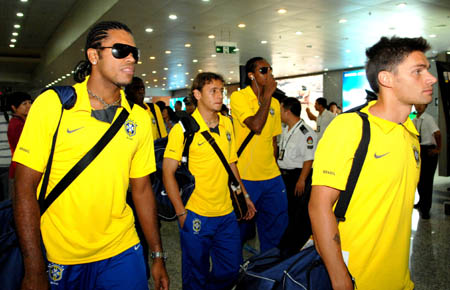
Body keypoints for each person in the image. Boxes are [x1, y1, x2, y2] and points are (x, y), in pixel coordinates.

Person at [12, 21, 169, 290]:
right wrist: (34, 269)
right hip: (61, 256)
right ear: (93, 56)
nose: (131, 58)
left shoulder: (139, 119)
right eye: (121, 50)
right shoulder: (54, 105)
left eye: (134, 52)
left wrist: (156, 254)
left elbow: (142, 190)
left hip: (123, 248)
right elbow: (24, 187)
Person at [309, 36, 437, 290]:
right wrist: (340, 279)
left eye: (428, 70)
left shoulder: (409, 132)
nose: (431, 78)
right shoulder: (351, 127)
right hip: (354, 278)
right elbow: (319, 206)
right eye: (418, 71)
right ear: (386, 78)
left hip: (398, 279)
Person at [163, 72, 256, 290]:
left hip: (226, 214)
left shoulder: (227, 124)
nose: (219, 95)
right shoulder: (183, 130)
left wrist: (245, 196)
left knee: (231, 269)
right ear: (197, 94)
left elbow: (232, 164)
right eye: (212, 90)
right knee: (196, 273)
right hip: (195, 213)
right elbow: (168, 173)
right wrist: (181, 213)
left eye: (221, 90)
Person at [230, 57, 288, 253]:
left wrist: (275, 166)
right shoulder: (239, 98)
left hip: (271, 177)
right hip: (247, 177)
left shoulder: (274, 103)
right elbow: (256, 125)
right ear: (251, 75)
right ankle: (234, 272)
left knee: (276, 230)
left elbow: (273, 141)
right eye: (264, 70)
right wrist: (268, 95)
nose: (269, 74)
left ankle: (268, 271)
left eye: (270, 70)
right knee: (240, 229)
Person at [277, 97, 317, 253]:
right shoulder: (285, 129)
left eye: (281, 110)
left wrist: (302, 180)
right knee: (287, 210)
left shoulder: (305, 133)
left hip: (298, 176)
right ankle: (286, 241)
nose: (279, 113)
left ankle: (293, 246)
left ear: (287, 111)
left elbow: (309, 158)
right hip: (285, 176)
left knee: (296, 212)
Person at [413, 103, 441, 219]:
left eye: (421, 105)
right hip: (420, 151)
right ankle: (421, 202)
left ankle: (426, 209)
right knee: (419, 180)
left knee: (427, 181)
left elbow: (438, 133)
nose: (418, 107)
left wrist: (438, 149)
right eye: (417, 105)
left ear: (425, 106)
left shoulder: (429, 119)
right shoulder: (414, 120)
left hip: (429, 150)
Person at [7, 92, 32, 195]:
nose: (29, 106)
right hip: (20, 171)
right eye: (24, 104)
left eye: (29, 102)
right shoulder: (17, 125)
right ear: (14, 107)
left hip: (19, 169)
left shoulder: (21, 122)